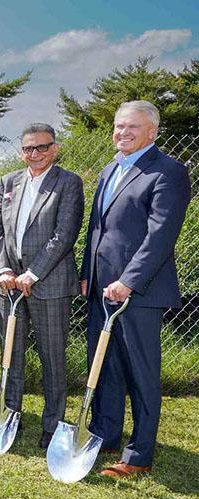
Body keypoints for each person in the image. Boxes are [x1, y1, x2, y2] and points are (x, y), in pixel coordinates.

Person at [81, 100, 189, 478]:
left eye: (132, 127)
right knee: (105, 364)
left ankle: (138, 454)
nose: (122, 133)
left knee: (141, 372)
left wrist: (128, 281)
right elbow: (98, 229)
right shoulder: (110, 168)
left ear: (152, 132)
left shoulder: (168, 172)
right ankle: (106, 433)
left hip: (138, 293)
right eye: (118, 126)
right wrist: (87, 273)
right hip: (100, 289)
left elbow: (160, 236)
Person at [0, 123, 84, 449]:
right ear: (21, 151)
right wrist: (3, 269)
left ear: (54, 149)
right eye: (29, 148)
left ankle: (53, 423)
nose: (35, 154)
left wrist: (33, 274)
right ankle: (10, 415)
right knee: (10, 356)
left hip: (49, 284)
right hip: (9, 284)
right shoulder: (8, 182)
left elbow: (64, 234)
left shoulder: (68, 183)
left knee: (52, 358)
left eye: (42, 147)